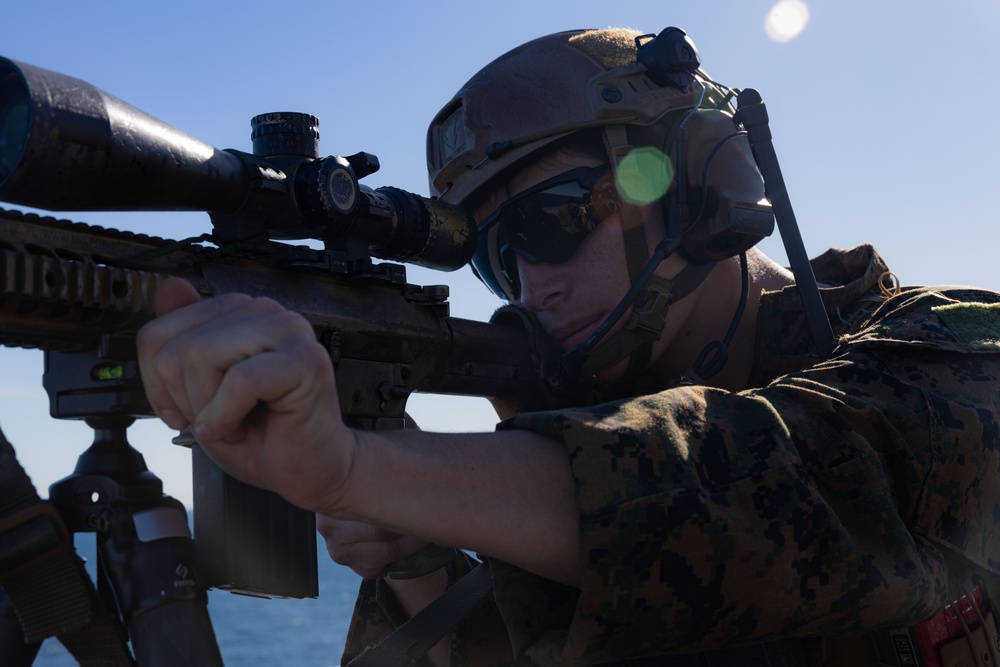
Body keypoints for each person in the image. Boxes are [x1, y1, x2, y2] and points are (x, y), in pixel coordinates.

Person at [136, 26, 1000, 667]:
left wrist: (360, 468)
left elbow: (773, 479)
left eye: (548, 224)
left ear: (703, 187)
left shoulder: (956, 350)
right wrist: (415, 556)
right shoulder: (567, 434)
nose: (528, 287)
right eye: (495, 259)